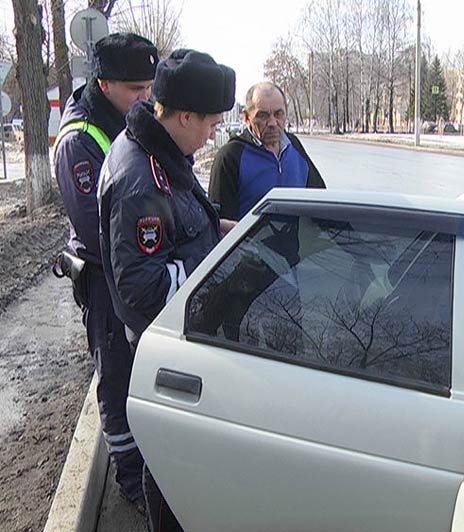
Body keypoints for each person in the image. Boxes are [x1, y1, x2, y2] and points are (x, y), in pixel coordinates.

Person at [98, 48, 235, 532]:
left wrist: (219, 229)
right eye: (212, 123)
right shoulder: (141, 178)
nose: (215, 132)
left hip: (177, 340)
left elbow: (180, 228)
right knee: (170, 475)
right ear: (182, 116)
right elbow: (143, 287)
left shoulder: (163, 151)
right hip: (164, 348)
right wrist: (219, 268)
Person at [53, 32, 158, 510]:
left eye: (149, 86)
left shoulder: (127, 120)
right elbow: (97, 228)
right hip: (105, 278)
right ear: (105, 82)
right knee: (117, 377)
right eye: (136, 88)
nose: (146, 97)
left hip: (136, 271)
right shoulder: (80, 139)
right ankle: (132, 484)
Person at [208, 81, 325, 222]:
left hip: (292, 244)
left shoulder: (294, 146)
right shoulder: (231, 157)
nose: (272, 123)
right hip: (247, 245)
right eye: (263, 116)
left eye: (278, 114)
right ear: (247, 117)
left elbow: (321, 202)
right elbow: (218, 225)